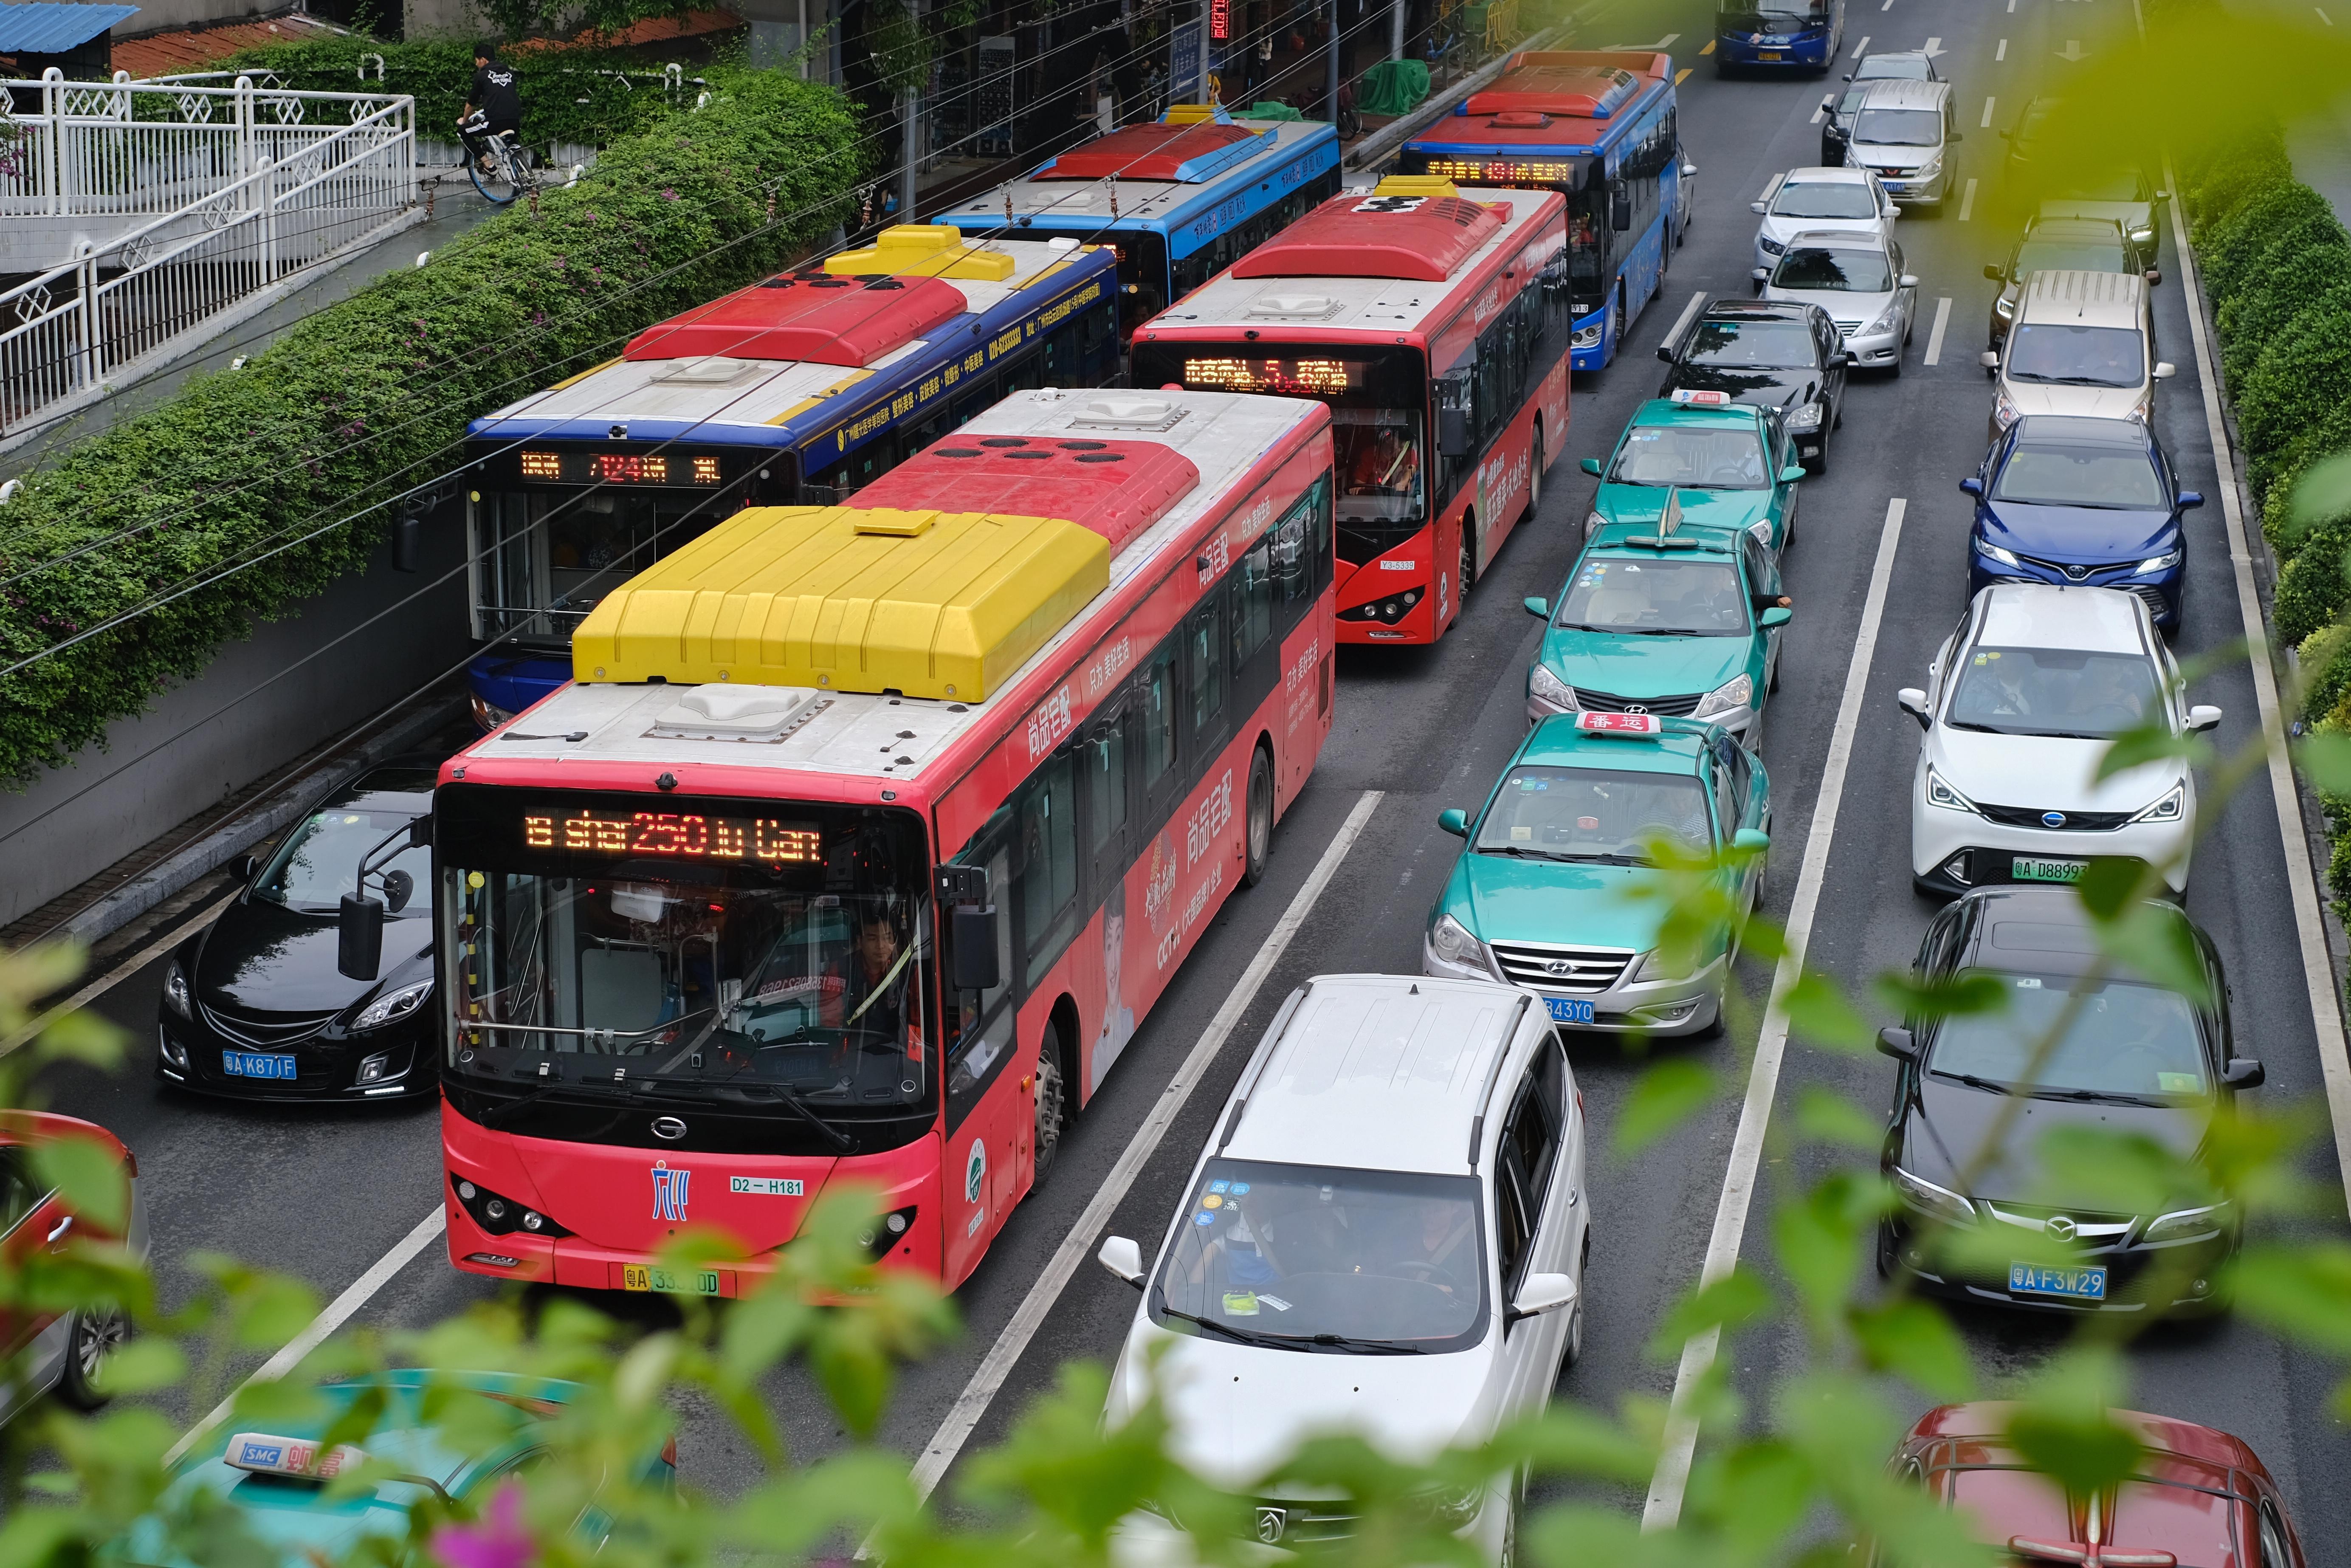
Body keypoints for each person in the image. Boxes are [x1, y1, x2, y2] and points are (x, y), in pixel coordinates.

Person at [828, 910, 911, 1042]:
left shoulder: (907, 966)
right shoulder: (841, 968)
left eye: (887, 938)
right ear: (860, 941)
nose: (881, 946)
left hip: (898, 1046)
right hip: (854, 1045)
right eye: (873, 939)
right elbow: (831, 1019)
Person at [459, 45, 522, 173]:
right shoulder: (509, 72)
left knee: (463, 131)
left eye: (477, 60)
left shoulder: (481, 76)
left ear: (483, 60)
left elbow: (470, 105)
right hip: (516, 120)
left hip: (495, 122)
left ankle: (489, 166)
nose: (476, 64)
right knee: (511, 147)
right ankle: (526, 177)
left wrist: (465, 121)